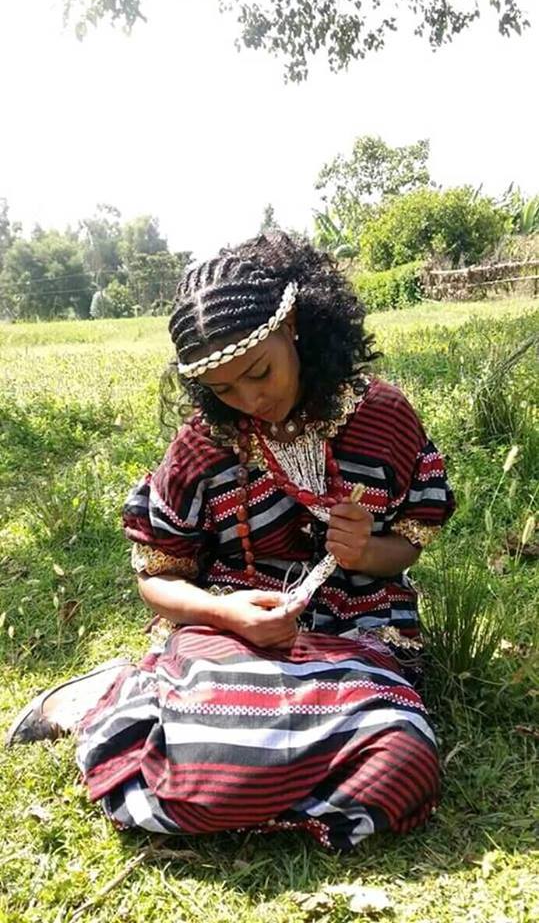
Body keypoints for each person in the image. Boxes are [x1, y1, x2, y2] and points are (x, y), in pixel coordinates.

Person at [7, 233, 454, 852]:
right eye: (223, 390)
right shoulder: (202, 447)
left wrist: (367, 555)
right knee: (206, 770)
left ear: (293, 325)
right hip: (234, 640)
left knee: (402, 759)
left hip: (359, 636)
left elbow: (410, 537)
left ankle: (204, 746)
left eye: (258, 372)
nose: (250, 400)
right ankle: (128, 707)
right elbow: (156, 574)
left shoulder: (383, 418)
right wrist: (226, 613)